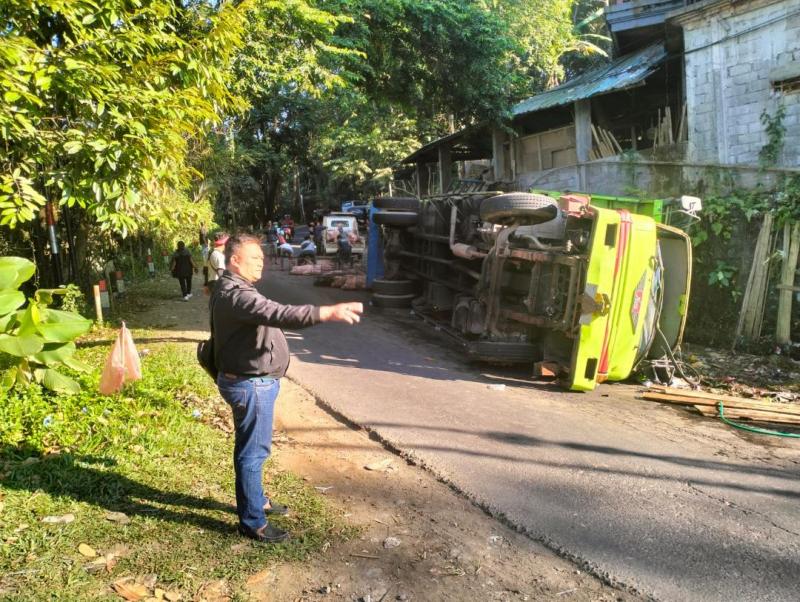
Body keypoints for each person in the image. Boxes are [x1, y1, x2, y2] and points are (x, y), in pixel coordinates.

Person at [210, 233, 363, 543]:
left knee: (251, 448)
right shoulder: (238, 295)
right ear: (235, 260)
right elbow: (279, 313)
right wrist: (326, 312)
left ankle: (257, 500)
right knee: (253, 453)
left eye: (262, 258)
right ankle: (253, 521)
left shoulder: (230, 288)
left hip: (250, 381)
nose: (261, 263)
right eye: (255, 259)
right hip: (251, 385)